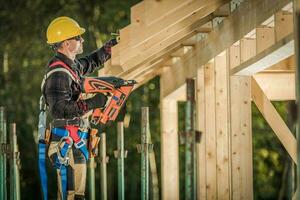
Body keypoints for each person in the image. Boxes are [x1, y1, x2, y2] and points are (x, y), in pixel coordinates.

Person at [42, 16, 117, 200]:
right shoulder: (58, 73)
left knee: (77, 195)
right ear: (67, 43)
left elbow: (91, 61)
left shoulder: (71, 66)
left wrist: (110, 47)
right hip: (67, 142)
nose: (81, 40)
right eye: (78, 38)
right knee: (72, 196)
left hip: (75, 141)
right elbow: (59, 110)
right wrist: (93, 103)